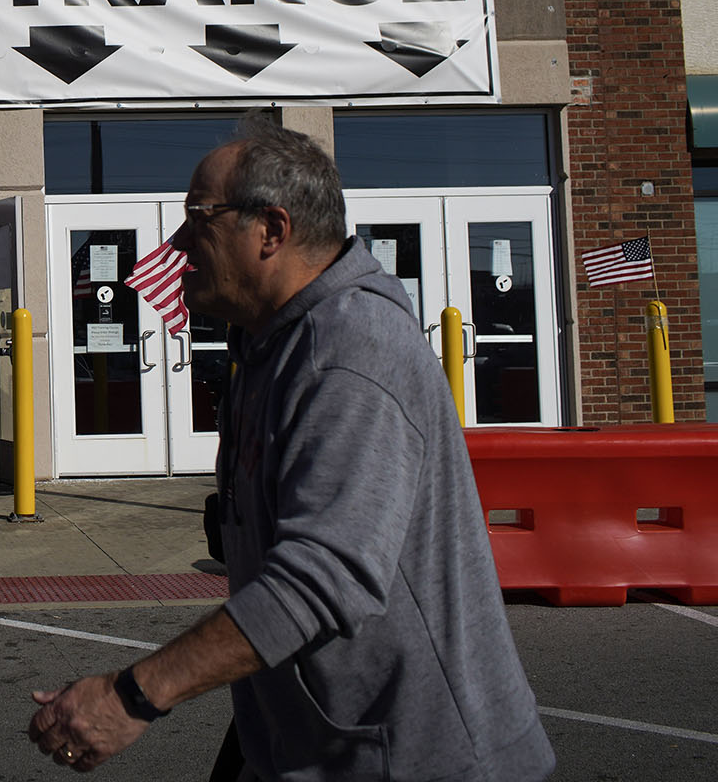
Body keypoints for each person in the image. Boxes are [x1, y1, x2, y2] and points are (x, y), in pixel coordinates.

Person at [27, 116, 554, 781]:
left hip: (417, 762)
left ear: (271, 231)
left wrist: (133, 696)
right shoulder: (270, 347)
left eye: (199, 219)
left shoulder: (350, 350)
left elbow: (320, 579)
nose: (177, 244)